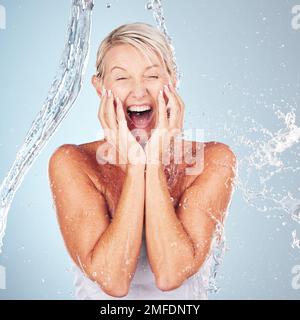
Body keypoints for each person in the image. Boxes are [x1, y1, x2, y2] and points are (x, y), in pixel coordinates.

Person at [48, 22, 237, 299]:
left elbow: (171, 273)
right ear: (100, 88)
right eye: (122, 78)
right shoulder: (73, 163)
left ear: (172, 81)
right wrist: (138, 167)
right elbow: (112, 281)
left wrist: (154, 160)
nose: (139, 91)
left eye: (152, 76)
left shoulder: (213, 160)